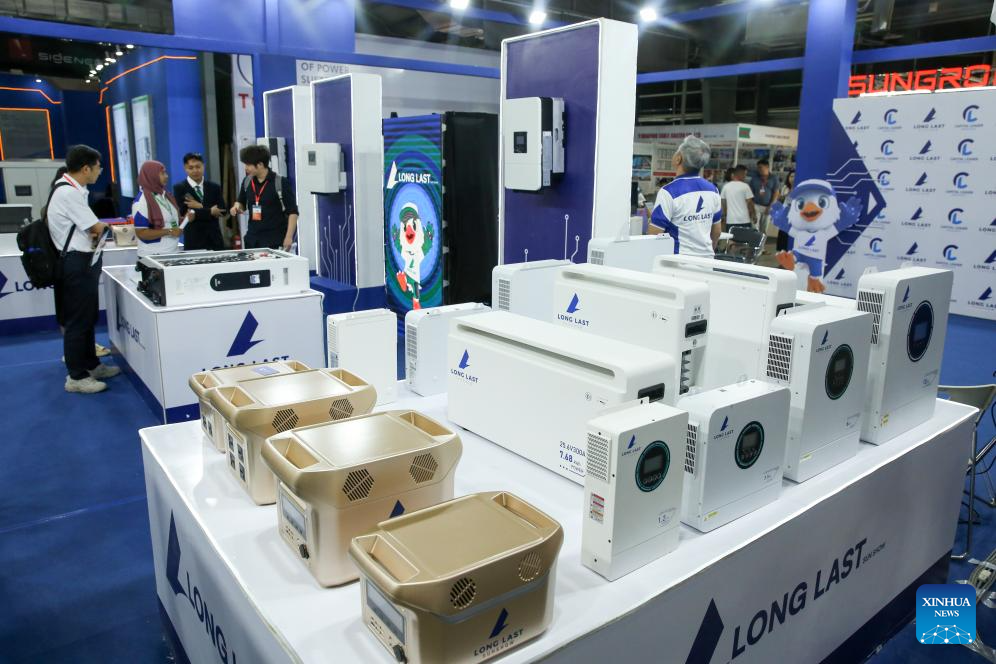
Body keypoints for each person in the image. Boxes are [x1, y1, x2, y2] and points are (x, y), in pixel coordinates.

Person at [47, 145, 120, 394]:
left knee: (87, 318)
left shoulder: (75, 191)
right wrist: (114, 229)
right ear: (86, 168)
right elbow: (95, 227)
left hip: (84, 260)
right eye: (98, 167)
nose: (100, 171)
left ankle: (91, 365)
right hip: (76, 262)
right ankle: (76, 376)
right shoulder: (67, 192)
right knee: (78, 321)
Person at [648, 135, 722, 258]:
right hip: (707, 261)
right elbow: (717, 232)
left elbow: (654, 234)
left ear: (678, 158)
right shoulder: (713, 190)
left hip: (678, 262)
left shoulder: (669, 192)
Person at [229, 144, 298, 250]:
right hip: (252, 239)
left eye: (248, 164)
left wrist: (289, 237)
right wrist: (236, 207)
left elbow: (293, 212)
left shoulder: (280, 182)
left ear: (260, 164)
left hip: (274, 240)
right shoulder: (247, 181)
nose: (245, 168)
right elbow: (241, 202)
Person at [133, 161, 191, 257]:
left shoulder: (166, 196)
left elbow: (171, 221)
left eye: (165, 173)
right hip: (152, 256)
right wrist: (169, 231)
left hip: (172, 252)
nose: (166, 176)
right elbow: (141, 233)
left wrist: (186, 219)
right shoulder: (141, 202)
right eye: (162, 173)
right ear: (152, 175)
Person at [174, 152, 226, 251]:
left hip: (215, 240)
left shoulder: (214, 187)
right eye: (191, 168)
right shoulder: (180, 188)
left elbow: (223, 211)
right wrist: (210, 211)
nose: (195, 170)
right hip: (194, 240)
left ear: (203, 166)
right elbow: (185, 213)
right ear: (185, 168)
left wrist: (200, 206)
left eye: (198, 167)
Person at [748, 158, 780, 234]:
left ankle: (762, 242)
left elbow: (776, 193)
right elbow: (750, 193)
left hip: (768, 206)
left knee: (764, 228)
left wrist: (771, 206)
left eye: (760, 167)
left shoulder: (774, 178)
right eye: (758, 167)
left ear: (767, 167)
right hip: (756, 205)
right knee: (754, 226)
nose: (758, 169)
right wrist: (751, 208)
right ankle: (755, 241)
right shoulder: (754, 178)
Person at [720, 165, 756, 230]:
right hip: (744, 219)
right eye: (744, 174)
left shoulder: (726, 187)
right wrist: (753, 214)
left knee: (731, 236)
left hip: (731, 220)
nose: (745, 176)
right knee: (745, 236)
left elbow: (723, 202)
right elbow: (750, 203)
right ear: (740, 174)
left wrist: (725, 215)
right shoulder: (745, 186)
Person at [777, 169, 795, 253]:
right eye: (791, 176)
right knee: (783, 236)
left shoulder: (799, 188)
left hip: (794, 216)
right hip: (784, 215)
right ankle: (782, 253)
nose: (792, 178)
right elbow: (780, 200)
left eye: (794, 176)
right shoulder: (785, 188)